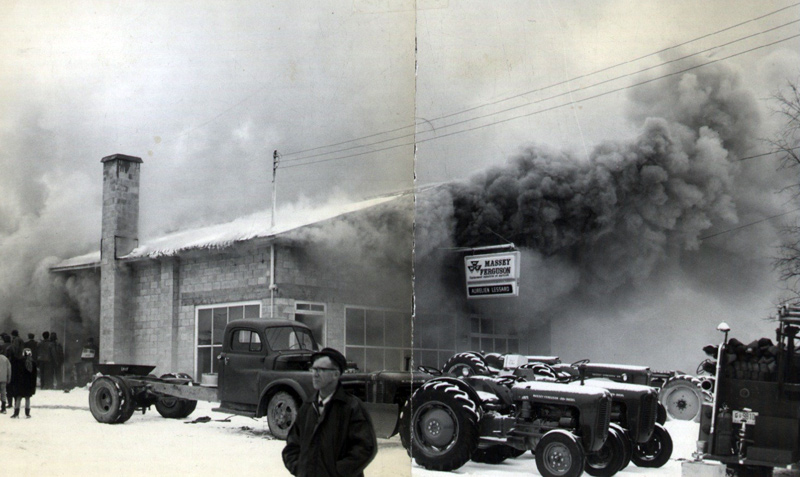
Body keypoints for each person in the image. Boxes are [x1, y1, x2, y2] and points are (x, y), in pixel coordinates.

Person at [282, 348, 377, 477]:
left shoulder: (352, 407)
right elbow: (292, 446)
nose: (315, 374)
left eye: (321, 370)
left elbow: (365, 448)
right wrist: (301, 469)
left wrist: (337, 472)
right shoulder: (307, 407)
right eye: (313, 369)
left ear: (336, 374)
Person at [8, 341, 37, 418]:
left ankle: (16, 413)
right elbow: (34, 376)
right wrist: (33, 386)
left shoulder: (19, 362)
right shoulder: (33, 363)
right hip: (29, 384)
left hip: (20, 383)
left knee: (18, 398)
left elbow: (17, 373)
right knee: (27, 398)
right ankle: (27, 413)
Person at [0, 345, 10, 414]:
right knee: (3, 393)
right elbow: (9, 369)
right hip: (3, 378)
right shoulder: (5, 359)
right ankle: (3, 408)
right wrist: (8, 378)